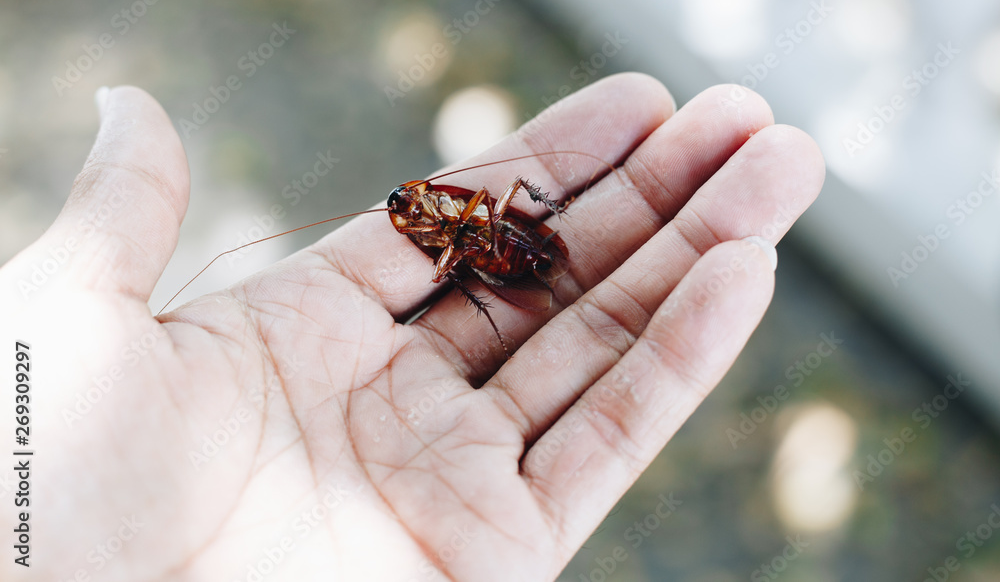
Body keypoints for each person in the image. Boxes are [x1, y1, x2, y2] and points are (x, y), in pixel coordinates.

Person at [1, 73, 824, 580]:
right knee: (477, 259)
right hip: (491, 250)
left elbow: (473, 218)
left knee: (490, 239)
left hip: (504, 238)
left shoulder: (441, 211)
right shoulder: (426, 224)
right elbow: (448, 250)